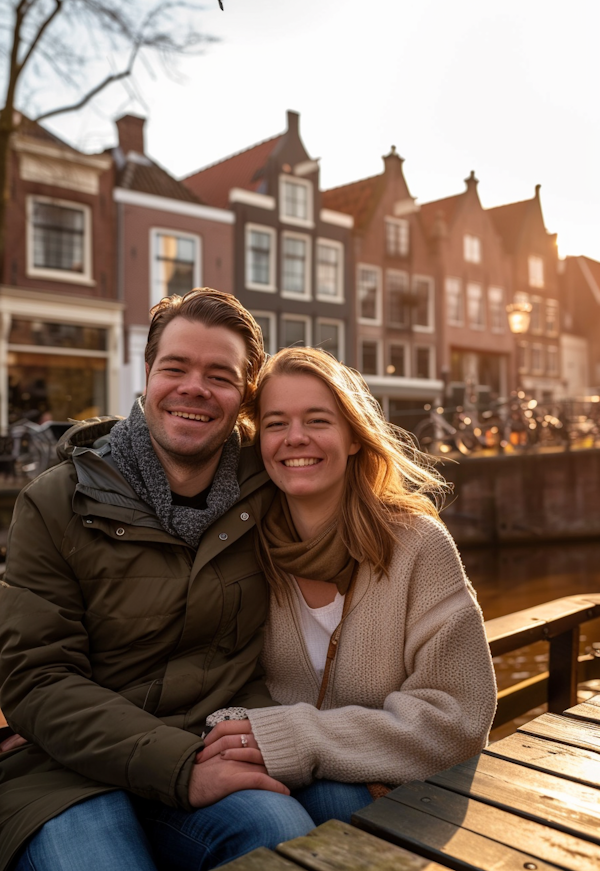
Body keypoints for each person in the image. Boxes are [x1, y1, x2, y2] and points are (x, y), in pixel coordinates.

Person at [0, 290, 316, 871]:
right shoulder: (54, 502)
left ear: (245, 396)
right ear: (147, 374)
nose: (194, 387)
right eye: (176, 367)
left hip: (209, 743)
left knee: (285, 841)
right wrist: (178, 766)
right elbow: (37, 678)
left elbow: (360, 514)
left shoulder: (269, 489)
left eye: (219, 375)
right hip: (63, 772)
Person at [197, 347, 497, 817]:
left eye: (317, 421)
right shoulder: (243, 547)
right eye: (276, 423)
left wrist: (298, 738)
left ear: (354, 437)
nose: (295, 438)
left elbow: (457, 721)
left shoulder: (417, 545)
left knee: (332, 804)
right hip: (273, 785)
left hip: (400, 791)